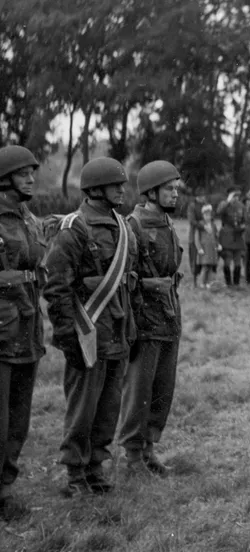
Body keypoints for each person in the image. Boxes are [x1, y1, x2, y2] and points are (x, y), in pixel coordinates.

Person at [43, 157, 139, 496]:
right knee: (82, 409)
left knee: (108, 408)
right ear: (95, 189)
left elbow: (129, 283)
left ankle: (96, 467)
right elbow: (56, 287)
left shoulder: (124, 227)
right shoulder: (75, 228)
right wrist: (69, 336)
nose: (122, 190)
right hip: (87, 336)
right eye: (116, 185)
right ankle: (75, 473)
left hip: (117, 334)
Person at [118, 160, 183, 478]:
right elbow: (122, 276)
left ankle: (149, 449)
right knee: (140, 389)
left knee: (162, 389)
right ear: (151, 192)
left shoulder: (167, 223)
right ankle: (132, 455)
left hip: (169, 318)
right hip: (144, 320)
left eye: (176, 189)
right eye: (169, 189)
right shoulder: (134, 225)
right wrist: (147, 284)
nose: (175, 194)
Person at [0, 146, 46, 516]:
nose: (31, 178)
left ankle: (5, 485)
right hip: (2, 328)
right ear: (5, 179)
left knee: (19, 416)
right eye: (23, 173)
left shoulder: (29, 219)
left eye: (32, 172)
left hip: (27, 326)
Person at [217, 186, 246, 287]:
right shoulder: (224, 204)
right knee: (227, 260)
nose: (236, 198)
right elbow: (219, 212)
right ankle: (228, 283)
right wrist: (228, 202)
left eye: (238, 196)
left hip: (238, 236)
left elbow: (244, 219)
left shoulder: (241, 206)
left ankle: (236, 283)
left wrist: (243, 226)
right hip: (226, 235)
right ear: (229, 195)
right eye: (234, 195)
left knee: (238, 261)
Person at [194, 205, 220, 289]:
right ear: (203, 215)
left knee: (211, 267)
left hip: (212, 249)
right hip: (204, 249)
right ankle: (202, 283)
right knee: (205, 267)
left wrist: (218, 244)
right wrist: (199, 248)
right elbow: (197, 238)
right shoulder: (200, 225)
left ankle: (209, 283)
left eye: (209, 215)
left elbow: (215, 237)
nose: (208, 217)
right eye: (206, 215)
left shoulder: (213, 225)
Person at [185, 192, 207, 287]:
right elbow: (191, 220)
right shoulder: (192, 206)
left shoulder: (206, 205)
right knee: (194, 259)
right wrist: (201, 224)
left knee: (204, 258)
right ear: (197, 196)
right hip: (194, 236)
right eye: (201, 196)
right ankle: (195, 281)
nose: (203, 198)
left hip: (205, 236)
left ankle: (204, 280)